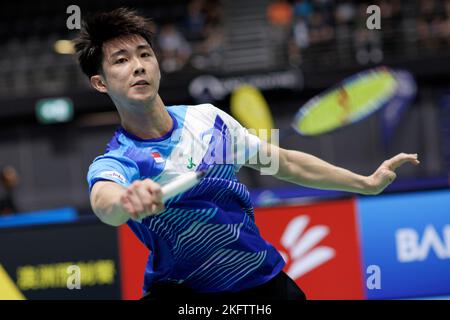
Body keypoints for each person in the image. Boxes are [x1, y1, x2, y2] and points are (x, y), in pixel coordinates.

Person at [74, 8, 420, 301]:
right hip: (183, 294)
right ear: (100, 83)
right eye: (121, 60)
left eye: (144, 54)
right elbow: (106, 201)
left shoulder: (208, 122)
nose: (138, 66)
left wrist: (366, 182)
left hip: (261, 284)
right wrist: (127, 199)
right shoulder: (121, 159)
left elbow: (283, 162)